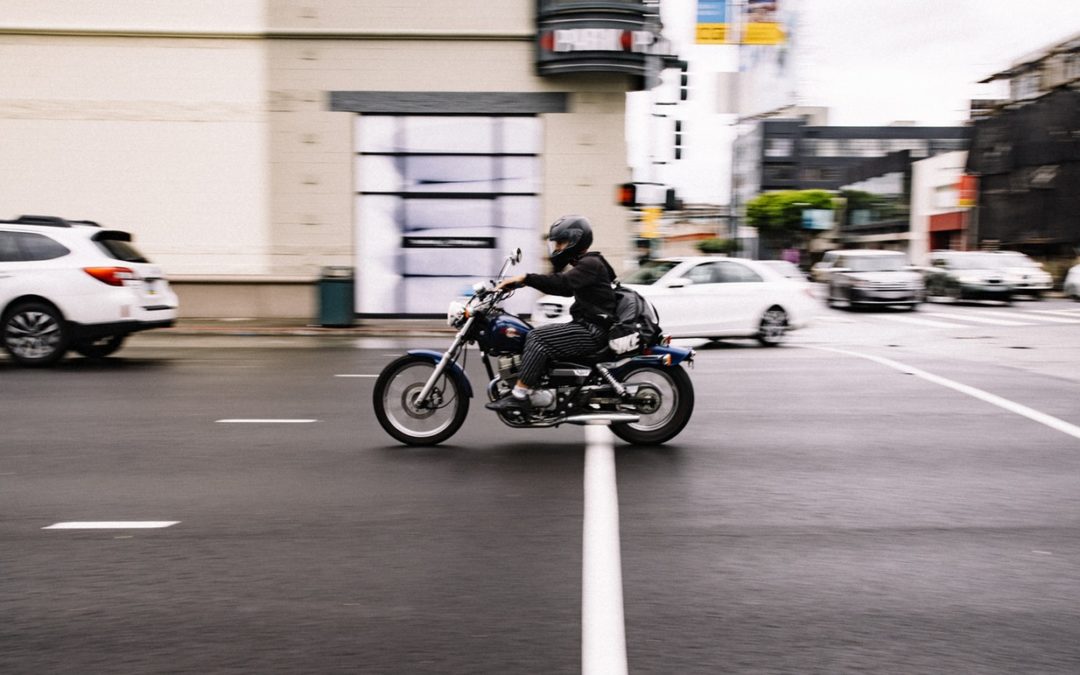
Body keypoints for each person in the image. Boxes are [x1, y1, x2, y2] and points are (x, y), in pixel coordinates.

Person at [486, 215, 616, 411]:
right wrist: (519, 283)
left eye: (561, 243)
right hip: (588, 326)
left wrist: (525, 278)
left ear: (574, 240)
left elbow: (562, 283)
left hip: (593, 331)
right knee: (537, 334)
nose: (556, 248)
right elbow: (563, 287)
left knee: (537, 337)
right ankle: (538, 385)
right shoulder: (586, 264)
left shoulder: (590, 264)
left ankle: (521, 394)